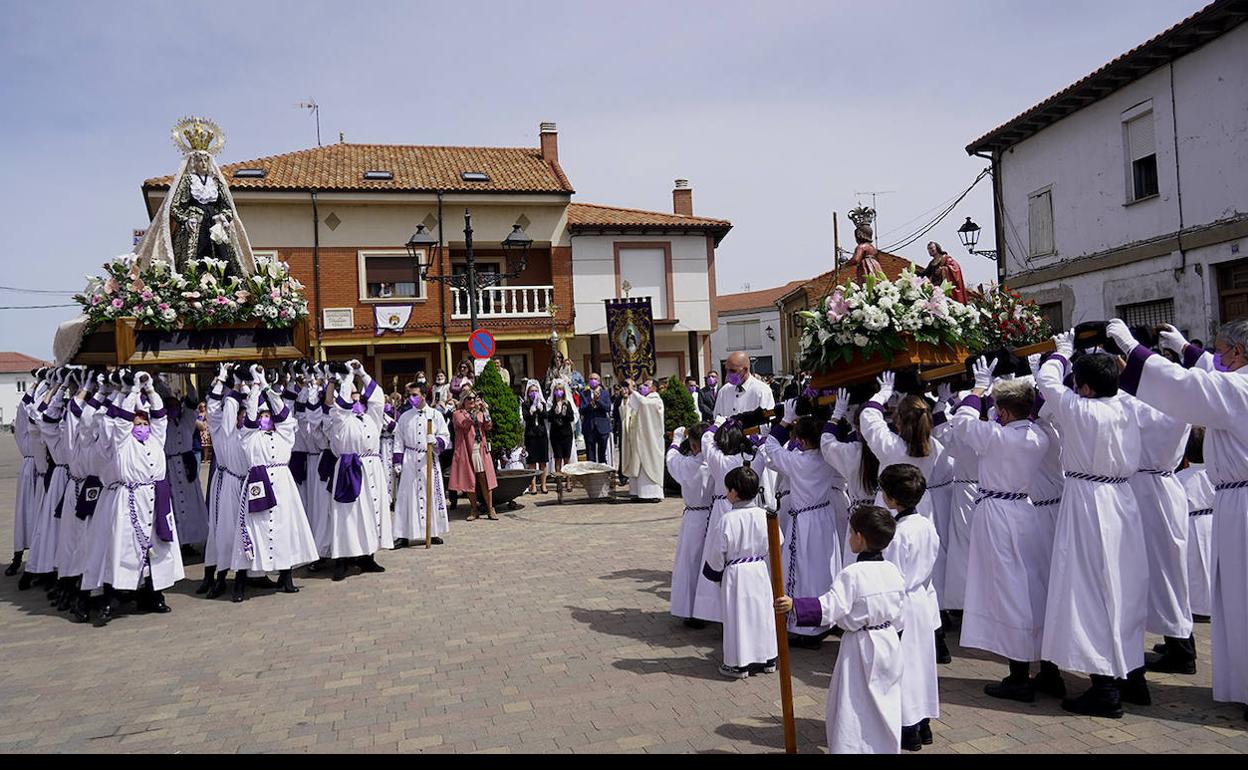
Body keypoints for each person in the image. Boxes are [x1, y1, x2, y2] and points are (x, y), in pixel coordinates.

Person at [1110, 317, 1248, 719]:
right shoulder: (1236, 382)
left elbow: (1192, 388)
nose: (1217, 358)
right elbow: (1208, 379)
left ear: (1239, 352)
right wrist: (1187, 349)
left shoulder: (1238, 387)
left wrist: (1132, 351)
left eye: (1221, 351)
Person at [1035, 329, 1147, 718]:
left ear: (1083, 387)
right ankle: (1132, 675)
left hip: (1087, 502)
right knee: (1124, 586)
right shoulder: (1129, 405)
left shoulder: (1077, 408)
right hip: (1123, 499)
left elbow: (1046, 380)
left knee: (1090, 588)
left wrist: (1061, 351)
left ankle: (1105, 688)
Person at [949, 361, 1060, 702]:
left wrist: (979, 388)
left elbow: (962, 421)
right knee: (1032, 588)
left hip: (997, 513)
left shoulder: (995, 436)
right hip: (1025, 510)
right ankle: (1049, 670)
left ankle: (1019, 675)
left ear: (1004, 412)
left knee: (1009, 591)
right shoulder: (1039, 436)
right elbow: (1035, 410)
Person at [775, 506, 905, 754]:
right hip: (889, 642)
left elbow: (830, 608)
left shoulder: (852, 574)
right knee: (884, 700)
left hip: (860, 645)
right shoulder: (893, 571)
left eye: (850, 533)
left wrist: (795, 605)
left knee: (854, 703)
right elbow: (900, 613)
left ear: (859, 537)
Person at [81, 371, 185, 624]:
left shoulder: (155, 440)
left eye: (143, 423)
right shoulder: (122, 442)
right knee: (123, 548)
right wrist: (132, 392)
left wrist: (150, 390)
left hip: (156, 496)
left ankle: (153, 592)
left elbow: (160, 418)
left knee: (157, 547)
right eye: (137, 424)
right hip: (129, 499)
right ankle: (114, 594)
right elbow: (119, 422)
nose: (141, 427)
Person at [228, 366, 319, 601]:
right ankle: (241, 581)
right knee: (252, 528)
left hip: (282, 484)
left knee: (284, 528)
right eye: (262, 416)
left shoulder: (283, 435)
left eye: (268, 416)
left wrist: (268, 388)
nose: (265, 419)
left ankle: (286, 576)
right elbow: (248, 417)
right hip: (258, 482)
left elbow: (285, 417)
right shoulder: (248, 436)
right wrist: (256, 389)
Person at [762, 407, 847, 648]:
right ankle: (824, 619)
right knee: (823, 570)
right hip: (824, 517)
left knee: (801, 570)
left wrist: (786, 420)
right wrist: (837, 417)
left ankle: (805, 627)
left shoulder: (797, 461)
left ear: (801, 439)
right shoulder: (828, 457)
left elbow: (770, 447)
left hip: (805, 521)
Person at [877, 464, 940, 751]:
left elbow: (892, 576)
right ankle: (923, 723)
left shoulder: (896, 534)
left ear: (890, 499)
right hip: (922, 602)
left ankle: (908, 729)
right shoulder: (926, 524)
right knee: (922, 665)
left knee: (902, 667)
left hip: (903, 605)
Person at [702, 466, 778, 679]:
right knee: (761, 614)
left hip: (736, 574)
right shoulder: (766, 515)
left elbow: (717, 553)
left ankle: (738, 664)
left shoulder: (727, 520)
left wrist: (715, 573)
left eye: (728, 490)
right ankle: (768, 659)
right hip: (759, 570)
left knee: (738, 617)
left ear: (734, 492)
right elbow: (777, 541)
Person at [324, 361, 393, 583]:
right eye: (351, 393)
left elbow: (378, 398)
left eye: (357, 394)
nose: (355, 397)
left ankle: (367, 556)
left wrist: (362, 373)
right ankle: (343, 559)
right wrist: (346, 379)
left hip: (372, 468)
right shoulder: (339, 416)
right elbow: (341, 405)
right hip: (349, 468)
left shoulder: (370, 417)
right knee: (348, 516)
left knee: (372, 511)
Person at [666, 423, 713, 628]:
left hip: (694, 517)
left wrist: (676, 441)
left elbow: (671, 460)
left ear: (694, 446)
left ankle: (692, 611)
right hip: (712, 516)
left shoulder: (687, 464)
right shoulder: (716, 463)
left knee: (690, 564)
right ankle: (710, 609)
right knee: (708, 564)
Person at [393, 384, 451, 548]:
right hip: (410, 459)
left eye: (415, 395)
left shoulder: (435, 415)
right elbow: (398, 439)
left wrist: (437, 441)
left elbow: (445, 435)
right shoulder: (404, 417)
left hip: (428, 458)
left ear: (424, 395)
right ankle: (403, 535)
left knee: (430, 494)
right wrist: (397, 460)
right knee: (407, 496)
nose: (411, 398)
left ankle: (432, 531)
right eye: (410, 395)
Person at [162, 379, 209, 555]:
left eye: (176, 406)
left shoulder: (187, 421)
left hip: (187, 465)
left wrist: (188, 380)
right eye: (170, 406)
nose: (174, 409)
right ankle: (178, 543)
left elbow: (192, 400)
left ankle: (190, 542)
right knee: (174, 505)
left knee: (190, 506)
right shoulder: (162, 424)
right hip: (170, 468)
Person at [1177, 427, 1213, 623]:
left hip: (1192, 524)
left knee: (1195, 568)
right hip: (1214, 523)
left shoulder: (1180, 478)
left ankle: (1198, 606)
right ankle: (1211, 604)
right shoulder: (1214, 474)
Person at [450, 389, 498, 520]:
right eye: (469, 398)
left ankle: (490, 508)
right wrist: (474, 412)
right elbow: (465, 424)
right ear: (463, 401)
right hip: (467, 450)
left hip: (481, 449)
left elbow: (488, 426)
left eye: (474, 398)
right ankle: (474, 509)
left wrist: (485, 411)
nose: (472, 401)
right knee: (470, 480)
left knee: (485, 478)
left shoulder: (481, 413)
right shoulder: (457, 414)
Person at [621, 377, 666, 502]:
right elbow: (633, 407)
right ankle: (639, 493)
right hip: (640, 440)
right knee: (638, 466)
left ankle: (652, 494)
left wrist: (632, 390)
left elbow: (643, 404)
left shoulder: (655, 400)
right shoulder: (644, 399)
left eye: (646, 385)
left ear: (653, 388)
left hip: (651, 441)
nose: (643, 387)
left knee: (649, 465)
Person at [713, 352, 775, 420]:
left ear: (745, 370)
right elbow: (717, 418)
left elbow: (767, 422)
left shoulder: (762, 391)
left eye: (732, 371)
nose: (728, 374)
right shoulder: (723, 391)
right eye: (726, 370)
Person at [521, 379, 550, 494]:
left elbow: (546, 416)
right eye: (532, 391)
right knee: (532, 462)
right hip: (531, 435)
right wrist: (531, 411)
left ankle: (543, 485)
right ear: (528, 393)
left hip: (541, 434)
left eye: (536, 391)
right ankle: (533, 486)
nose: (534, 393)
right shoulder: (525, 404)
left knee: (543, 461)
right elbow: (525, 417)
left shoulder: (542, 403)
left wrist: (541, 409)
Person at [579, 373, 612, 463]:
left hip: (602, 427)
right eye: (591, 379)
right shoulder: (583, 394)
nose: (593, 381)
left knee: (602, 455)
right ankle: (591, 475)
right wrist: (591, 403)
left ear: (599, 381)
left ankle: (603, 475)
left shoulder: (605, 393)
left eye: (595, 379)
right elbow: (581, 410)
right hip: (589, 427)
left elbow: (608, 407)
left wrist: (598, 400)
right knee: (590, 456)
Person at [547, 378, 577, 471]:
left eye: (560, 390)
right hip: (556, 435)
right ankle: (559, 480)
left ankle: (568, 481)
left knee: (566, 458)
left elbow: (571, 418)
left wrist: (563, 412)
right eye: (556, 390)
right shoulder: (552, 404)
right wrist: (555, 411)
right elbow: (549, 419)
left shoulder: (567, 404)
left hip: (566, 434)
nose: (558, 391)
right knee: (558, 458)